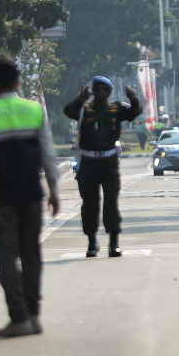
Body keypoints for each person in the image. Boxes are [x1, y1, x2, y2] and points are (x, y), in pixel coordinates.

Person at [0, 59, 60, 337]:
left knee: (7, 257)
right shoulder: (34, 110)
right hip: (31, 194)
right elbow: (48, 153)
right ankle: (33, 314)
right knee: (31, 255)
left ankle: (18, 317)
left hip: (0, 198)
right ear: (18, 81)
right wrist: (54, 190)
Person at [63, 76, 141, 258]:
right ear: (93, 91)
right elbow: (68, 111)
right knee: (90, 205)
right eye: (97, 89)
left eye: (105, 89)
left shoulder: (117, 108)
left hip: (109, 163)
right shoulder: (85, 109)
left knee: (111, 203)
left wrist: (134, 98)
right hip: (89, 162)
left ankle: (114, 243)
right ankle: (92, 242)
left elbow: (134, 113)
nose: (101, 92)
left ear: (110, 92)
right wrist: (80, 99)